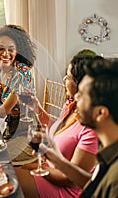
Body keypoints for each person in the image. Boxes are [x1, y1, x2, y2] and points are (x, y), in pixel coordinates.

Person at [39, 58, 118, 198]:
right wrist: (53, 157)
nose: (76, 97)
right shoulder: (113, 147)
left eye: (83, 95)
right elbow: (93, 184)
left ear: (101, 113)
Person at [15, 54, 103, 198]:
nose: (64, 80)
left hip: (66, 190)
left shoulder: (93, 127)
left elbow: (70, 180)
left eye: (68, 77)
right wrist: (36, 108)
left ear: (82, 83)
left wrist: (39, 167)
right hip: (50, 171)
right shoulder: (71, 105)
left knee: (5, 179)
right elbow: (57, 131)